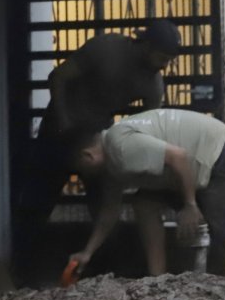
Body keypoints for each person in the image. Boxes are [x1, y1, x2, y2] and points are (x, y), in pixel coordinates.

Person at [14, 20, 181, 282]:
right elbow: (58, 77)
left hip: (97, 135)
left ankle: (101, 275)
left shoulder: (153, 84)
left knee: (106, 205)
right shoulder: (107, 49)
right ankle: (24, 273)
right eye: (161, 57)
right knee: (37, 203)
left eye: (169, 60)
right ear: (146, 45)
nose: (163, 65)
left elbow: (148, 126)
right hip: (60, 130)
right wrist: (63, 119)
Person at [67, 108, 225, 280]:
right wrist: (87, 252)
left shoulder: (119, 145)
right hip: (192, 165)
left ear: (88, 156)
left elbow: (178, 157)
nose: (84, 178)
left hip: (216, 151)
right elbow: (109, 212)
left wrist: (189, 205)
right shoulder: (112, 164)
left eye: (82, 170)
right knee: (144, 202)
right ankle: (158, 280)